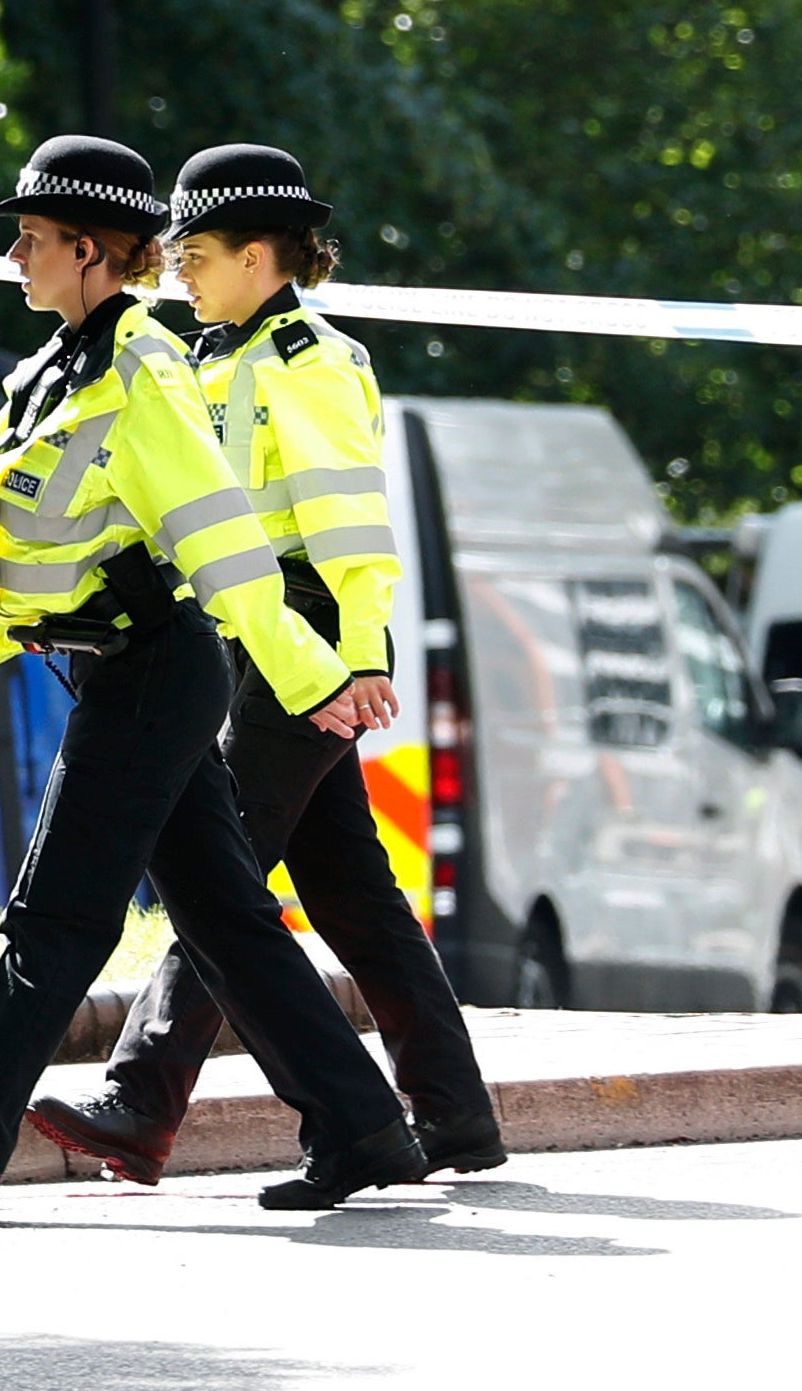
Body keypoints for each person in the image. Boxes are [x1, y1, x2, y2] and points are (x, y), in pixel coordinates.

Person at [0, 135, 424, 1223]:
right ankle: (361, 1124)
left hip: (155, 670)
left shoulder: (140, 369)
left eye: (29, 237)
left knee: (57, 908)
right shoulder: (49, 372)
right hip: (116, 665)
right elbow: (40, 548)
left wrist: (315, 673)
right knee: (227, 919)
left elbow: (221, 545)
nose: (13, 254)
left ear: (93, 249)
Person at [27, 142, 509, 1186]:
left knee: (217, 877)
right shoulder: (206, 357)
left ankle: (140, 1097)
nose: (178, 272)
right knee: (348, 895)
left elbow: (350, 526)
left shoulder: (311, 363)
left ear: (259, 256)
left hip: (302, 635)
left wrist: (356, 655)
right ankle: (452, 1116)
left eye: (194, 252)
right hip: (241, 635)